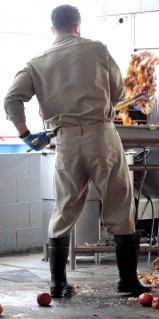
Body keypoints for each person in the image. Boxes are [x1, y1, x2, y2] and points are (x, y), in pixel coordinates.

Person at [4, 4, 151, 298]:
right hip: (102, 137)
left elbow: (11, 99)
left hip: (66, 142)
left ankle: (57, 284)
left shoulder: (36, 61)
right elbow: (120, 95)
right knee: (120, 206)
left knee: (64, 209)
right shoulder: (97, 49)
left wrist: (26, 135)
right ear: (78, 26)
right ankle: (128, 282)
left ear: (52, 29)